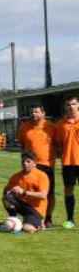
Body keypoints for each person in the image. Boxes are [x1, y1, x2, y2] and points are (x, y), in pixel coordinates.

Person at [18, 104, 56, 227]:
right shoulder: (24, 127)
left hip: (46, 164)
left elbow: (57, 144)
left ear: (43, 113)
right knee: (30, 191)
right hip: (30, 165)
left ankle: (48, 218)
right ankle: (32, 216)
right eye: (32, 112)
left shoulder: (50, 127)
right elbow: (23, 146)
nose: (34, 114)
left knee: (49, 193)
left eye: (36, 112)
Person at [2, 151, 50, 234]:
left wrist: (24, 192)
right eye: (23, 161)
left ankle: (39, 224)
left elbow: (43, 195)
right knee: (7, 198)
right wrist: (10, 190)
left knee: (27, 229)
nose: (25, 163)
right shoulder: (16, 176)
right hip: (23, 206)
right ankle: (14, 218)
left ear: (35, 163)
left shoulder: (42, 176)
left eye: (28, 161)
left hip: (36, 209)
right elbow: (5, 191)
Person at [53, 96, 79, 229]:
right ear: (65, 107)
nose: (71, 107)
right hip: (68, 162)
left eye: (73, 104)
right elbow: (57, 145)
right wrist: (58, 159)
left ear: (78, 105)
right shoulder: (60, 124)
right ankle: (70, 219)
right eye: (68, 105)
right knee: (69, 190)